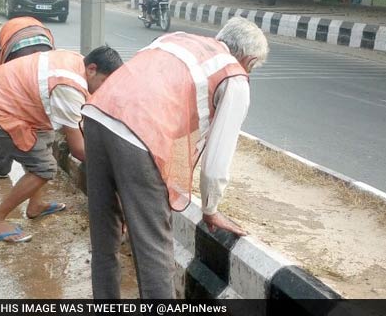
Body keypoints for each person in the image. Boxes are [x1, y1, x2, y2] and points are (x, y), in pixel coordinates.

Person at [81, 17, 269, 299]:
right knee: (154, 252)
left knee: (104, 240)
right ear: (249, 59)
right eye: (252, 67)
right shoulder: (234, 76)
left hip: (96, 115)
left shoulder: (177, 39)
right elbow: (217, 160)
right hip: (139, 135)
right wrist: (211, 208)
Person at [0, 46, 123, 243]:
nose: (105, 90)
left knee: (46, 138)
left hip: (8, 98)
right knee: (44, 167)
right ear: (92, 69)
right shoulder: (69, 87)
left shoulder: (77, 62)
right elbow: (79, 150)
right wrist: (113, 164)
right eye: (104, 83)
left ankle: (35, 205)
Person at [0, 16, 56, 179]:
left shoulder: (1, 35)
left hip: (16, 52)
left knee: (10, 120)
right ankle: (38, 165)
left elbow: (0, 68)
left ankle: (2, 168)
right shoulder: (40, 28)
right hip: (44, 51)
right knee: (40, 113)